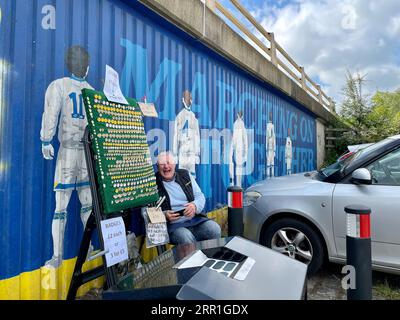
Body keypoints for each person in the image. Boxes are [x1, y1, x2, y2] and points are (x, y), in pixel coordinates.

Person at [40, 45, 93, 268]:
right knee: (82, 204)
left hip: (72, 151)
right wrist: (46, 140)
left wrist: (46, 140)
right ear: (87, 67)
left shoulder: (58, 86)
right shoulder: (91, 91)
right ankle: (65, 254)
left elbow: (50, 115)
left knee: (65, 205)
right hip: (81, 152)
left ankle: (59, 256)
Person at [155, 151, 221, 245]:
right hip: (173, 226)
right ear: (157, 166)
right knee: (185, 237)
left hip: (195, 220)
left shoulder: (185, 175)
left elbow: (200, 196)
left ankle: (210, 256)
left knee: (214, 229)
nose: (166, 166)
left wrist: (194, 206)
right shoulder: (153, 183)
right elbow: (147, 211)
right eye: (162, 164)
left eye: (169, 162)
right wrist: (163, 215)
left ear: (174, 164)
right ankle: (195, 258)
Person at [172, 90, 200, 177]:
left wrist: (197, 154)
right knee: (182, 176)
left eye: (190, 98)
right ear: (182, 99)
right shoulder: (179, 116)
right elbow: (175, 135)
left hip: (191, 150)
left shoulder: (194, 117)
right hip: (182, 150)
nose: (189, 101)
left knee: (191, 177)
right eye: (187, 98)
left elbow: (197, 136)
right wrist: (175, 154)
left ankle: (191, 190)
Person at [229, 110, 248, 187]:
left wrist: (245, 152)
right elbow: (234, 137)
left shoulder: (242, 124)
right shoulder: (235, 124)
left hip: (240, 148)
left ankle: (239, 185)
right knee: (236, 167)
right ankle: (236, 185)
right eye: (239, 114)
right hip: (236, 148)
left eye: (241, 114)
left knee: (239, 168)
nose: (240, 115)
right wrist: (232, 148)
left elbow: (245, 138)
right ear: (237, 114)